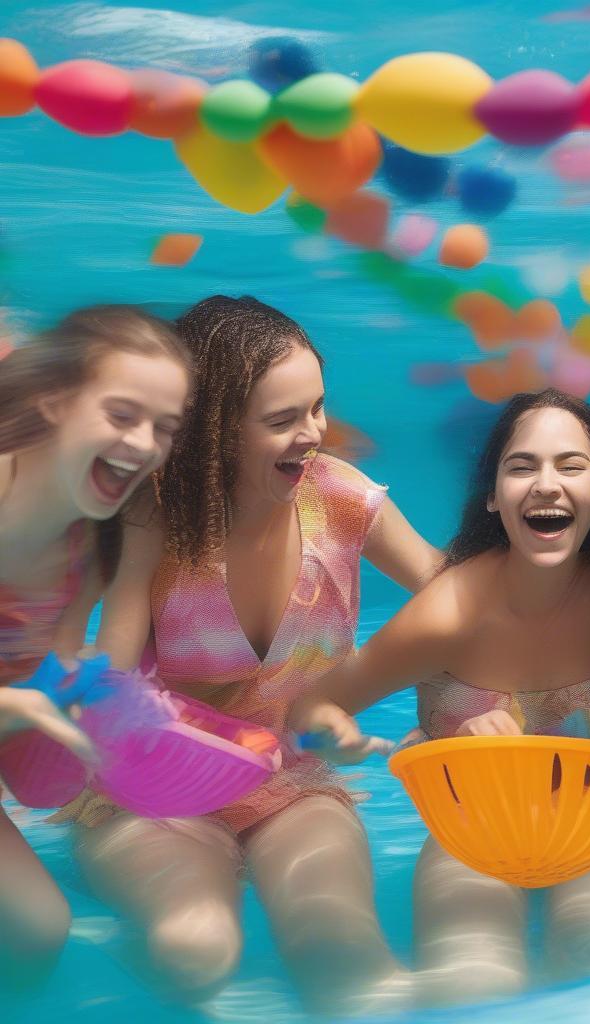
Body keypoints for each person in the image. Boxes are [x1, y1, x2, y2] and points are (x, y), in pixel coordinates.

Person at [67, 296, 439, 1012]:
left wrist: (453, 706)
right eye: (283, 420)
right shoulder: (155, 519)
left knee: (345, 957)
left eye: (318, 408)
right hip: (155, 790)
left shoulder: (344, 501)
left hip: (288, 783)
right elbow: (111, 673)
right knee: (195, 950)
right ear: (216, 432)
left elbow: (458, 602)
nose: (314, 434)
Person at [293, 388, 590, 1006]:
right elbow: (316, 705)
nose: (546, 485)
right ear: (493, 497)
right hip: (467, 838)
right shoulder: (451, 611)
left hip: (586, 832)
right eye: (522, 466)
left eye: (571, 465)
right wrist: (341, 739)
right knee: (479, 984)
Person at [0, 306, 191, 985]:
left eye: (164, 427)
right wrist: (24, 709)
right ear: (53, 400)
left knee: (39, 930)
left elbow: (30, 736)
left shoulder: (85, 548)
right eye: (121, 415)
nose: (143, 444)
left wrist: (91, 713)